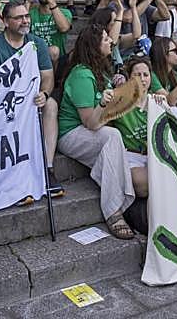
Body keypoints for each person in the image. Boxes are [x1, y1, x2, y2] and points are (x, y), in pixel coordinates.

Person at [57, 22, 138, 240]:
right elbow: (90, 124)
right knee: (113, 136)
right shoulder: (82, 75)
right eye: (105, 39)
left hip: (94, 129)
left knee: (111, 143)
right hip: (71, 133)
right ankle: (113, 212)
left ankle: (119, 202)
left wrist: (118, 86)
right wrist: (103, 104)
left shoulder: (100, 70)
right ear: (94, 46)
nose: (111, 41)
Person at [0, 0, 63, 198]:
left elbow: (47, 77)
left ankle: (47, 168)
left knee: (51, 105)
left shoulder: (37, 44)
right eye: (18, 18)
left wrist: (44, 94)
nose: (25, 21)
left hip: (32, 101)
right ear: (6, 21)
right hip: (3, 105)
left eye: (26, 16)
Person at [28, 0, 72, 67]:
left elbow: (64, 28)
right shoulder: (31, 12)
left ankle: (52, 81)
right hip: (33, 57)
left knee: (53, 51)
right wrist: (28, 1)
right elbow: (17, 28)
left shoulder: (64, 12)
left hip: (58, 61)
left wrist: (50, 0)